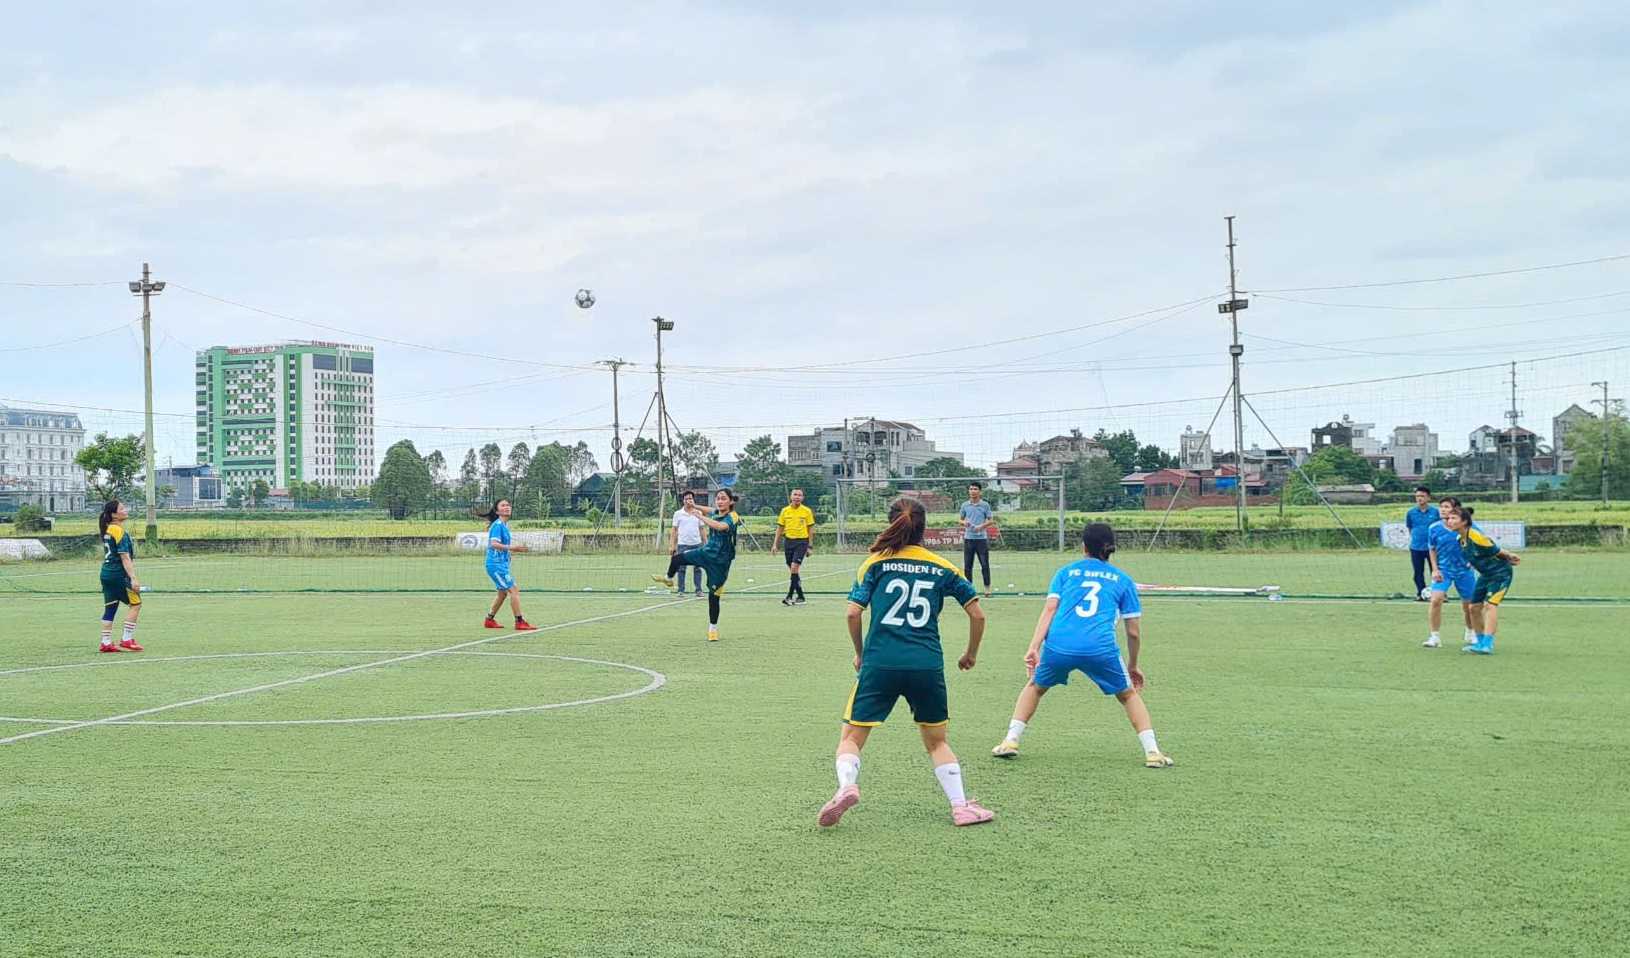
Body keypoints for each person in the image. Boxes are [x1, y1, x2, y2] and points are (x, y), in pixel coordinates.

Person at [817, 497, 993, 828]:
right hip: (926, 664)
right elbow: (978, 614)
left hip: (880, 662)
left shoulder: (875, 564)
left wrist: (860, 652)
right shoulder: (943, 567)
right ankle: (960, 806)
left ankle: (846, 787)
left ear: (891, 524)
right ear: (924, 529)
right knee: (937, 741)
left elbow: (853, 612)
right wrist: (971, 654)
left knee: (851, 737)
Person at [991, 522, 1173, 768]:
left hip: (1059, 644)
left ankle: (1010, 741)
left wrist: (1033, 646)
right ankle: (1153, 753)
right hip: (1100, 647)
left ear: (1083, 546)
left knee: (1034, 687)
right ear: (1110, 548)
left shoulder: (1066, 572)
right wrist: (1133, 665)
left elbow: (1050, 609)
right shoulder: (1123, 580)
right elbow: (1133, 632)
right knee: (1128, 695)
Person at [653, 489, 741, 642]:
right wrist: (695, 506)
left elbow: (720, 526)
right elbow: (709, 510)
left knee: (713, 597)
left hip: (720, 562)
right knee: (677, 559)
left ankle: (712, 629)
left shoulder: (732, 516)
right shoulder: (716, 511)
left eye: (723, 499)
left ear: (731, 501)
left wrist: (699, 516)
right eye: (718, 498)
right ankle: (668, 578)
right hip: (706, 553)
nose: (720, 501)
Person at [1450, 505, 1521, 655]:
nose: (1449, 521)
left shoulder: (1476, 536)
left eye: (1453, 518)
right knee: (1473, 607)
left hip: (1500, 574)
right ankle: (1480, 642)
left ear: (1464, 522)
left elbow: (1496, 550)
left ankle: (1488, 644)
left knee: (1490, 605)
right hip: (1485, 575)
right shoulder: (1459, 539)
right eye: (1448, 518)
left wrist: (1510, 556)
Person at [1424, 496, 1480, 649]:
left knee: (1469, 605)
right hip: (1444, 571)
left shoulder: (1471, 527)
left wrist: (1473, 561)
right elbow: (1432, 549)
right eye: (1441, 506)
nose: (1443, 509)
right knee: (1436, 600)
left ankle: (1471, 633)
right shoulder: (1434, 528)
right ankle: (1434, 637)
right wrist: (1435, 569)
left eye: (1447, 507)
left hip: (1464, 571)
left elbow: (1481, 544)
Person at [478, 500, 537, 632]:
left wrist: (508, 554)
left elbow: (500, 547)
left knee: (502, 594)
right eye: (503, 505)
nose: (507, 507)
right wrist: (513, 548)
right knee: (513, 590)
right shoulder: (497, 525)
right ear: (497, 511)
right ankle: (519, 621)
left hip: (501, 565)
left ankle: (489, 620)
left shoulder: (503, 525)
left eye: (508, 505)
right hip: (495, 565)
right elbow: (493, 544)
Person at [97, 499, 145, 653]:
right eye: (122, 508)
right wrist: (133, 578)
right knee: (136, 603)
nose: (126, 510)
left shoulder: (108, 529)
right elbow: (125, 557)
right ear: (114, 515)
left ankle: (105, 642)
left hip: (106, 573)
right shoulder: (119, 531)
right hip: (118, 575)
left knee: (110, 607)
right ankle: (126, 639)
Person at [771, 488, 816, 606]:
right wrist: (775, 544)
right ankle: (801, 596)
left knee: (794, 568)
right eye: (795, 494)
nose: (797, 497)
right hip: (788, 542)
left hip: (801, 542)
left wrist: (810, 546)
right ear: (791, 496)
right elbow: (780, 528)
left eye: (800, 495)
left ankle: (789, 596)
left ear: (803, 498)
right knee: (792, 570)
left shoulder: (807, 511)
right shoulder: (785, 511)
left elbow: (810, 529)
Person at [958, 481, 995, 597]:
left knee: (984, 564)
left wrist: (981, 527)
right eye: (971, 489)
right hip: (969, 539)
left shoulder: (985, 505)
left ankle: (987, 588)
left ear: (980, 491)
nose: (972, 491)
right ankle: (969, 588)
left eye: (975, 489)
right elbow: (960, 520)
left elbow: (990, 520)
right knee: (968, 566)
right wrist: (965, 523)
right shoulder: (965, 505)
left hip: (981, 539)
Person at [669, 491, 707, 596]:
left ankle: (698, 590)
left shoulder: (698, 513)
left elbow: (702, 529)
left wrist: (706, 543)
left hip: (697, 544)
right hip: (682, 544)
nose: (689, 500)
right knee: (681, 568)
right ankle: (681, 590)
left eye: (690, 498)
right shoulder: (678, 514)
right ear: (683, 501)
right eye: (686, 499)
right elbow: (674, 530)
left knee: (698, 567)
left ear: (693, 500)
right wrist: (672, 545)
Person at [1405, 485, 1436, 600]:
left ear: (1428, 498)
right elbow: (1410, 528)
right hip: (1416, 547)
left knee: (1435, 571)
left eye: (1422, 496)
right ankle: (1421, 593)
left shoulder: (1436, 512)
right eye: (1417, 496)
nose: (1419, 498)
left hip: (1432, 548)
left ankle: (1438, 594)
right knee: (1418, 573)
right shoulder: (1411, 513)